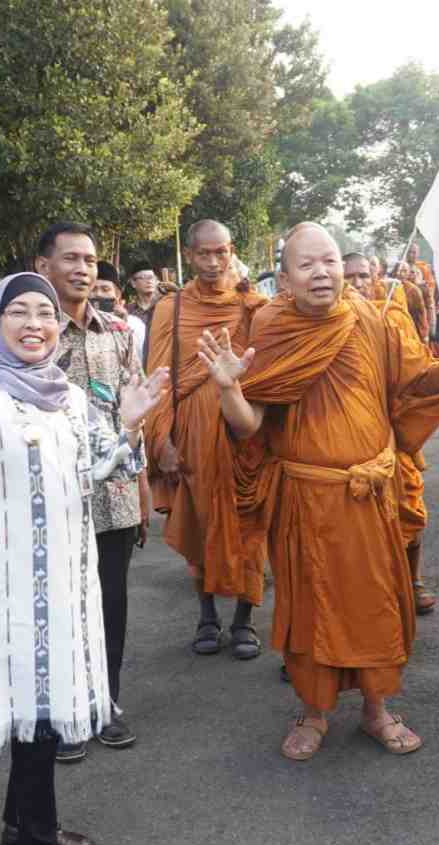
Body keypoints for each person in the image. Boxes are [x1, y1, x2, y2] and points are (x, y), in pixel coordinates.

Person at [198, 223, 439, 760]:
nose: (322, 272)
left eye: (329, 260)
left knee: (376, 604)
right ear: (283, 278)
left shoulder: (375, 318)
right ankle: (314, 712)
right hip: (305, 498)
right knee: (310, 610)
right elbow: (248, 426)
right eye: (306, 265)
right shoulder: (271, 327)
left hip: (370, 494)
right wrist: (229, 387)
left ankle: (377, 710)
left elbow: (417, 384)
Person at [0, 274, 170, 845]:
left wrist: (131, 425)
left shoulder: (70, 398)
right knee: (33, 714)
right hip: (3, 587)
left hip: (66, 578)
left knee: (46, 706)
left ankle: (16, 827)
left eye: (46, 313)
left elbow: (101, 466)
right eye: (19, 312)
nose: (36, 323)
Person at [35, 226, 150, 759]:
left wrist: (143, 488)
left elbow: (135, 412)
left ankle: (106, 704)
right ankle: (63, 717)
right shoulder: (31, 333)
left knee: (111, 607)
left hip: (115, 497)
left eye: (91, 260)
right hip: (53, 501)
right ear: (43, 267)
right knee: (60, 610)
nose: (83, 269)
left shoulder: (117, 333)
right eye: (71, 259)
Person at [143, 220, 268, 658]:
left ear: (232, 251)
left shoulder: (254, 307)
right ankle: (207, 615)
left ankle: (244, 621)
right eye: (204, 254)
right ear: (190, 256)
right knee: (199, 525)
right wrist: (161, 441)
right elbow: (159, 378)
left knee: (250, 528)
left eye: (222, 252)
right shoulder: (170, 310)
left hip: (245, 437)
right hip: (191, 437)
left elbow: (266, 377)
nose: (214, 262)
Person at [345, 253, 437, 614]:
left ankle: (412, 581)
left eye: (363, 276)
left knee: (410, 508)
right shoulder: (323, 322)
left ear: (376, 276)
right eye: (349, 276)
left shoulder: (392, 313)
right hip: (349, 435)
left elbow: (417, 369)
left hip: (393, 429)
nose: (356, 283)